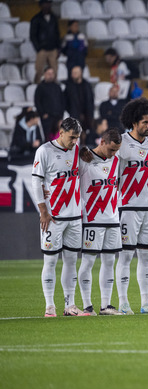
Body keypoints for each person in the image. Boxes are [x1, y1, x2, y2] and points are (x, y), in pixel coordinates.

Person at [115, 98, 148, 314]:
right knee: (125, 256)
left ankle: (146, 303)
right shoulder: (121, 143)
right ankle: (124, 303)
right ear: (134, 123)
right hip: (127, 207)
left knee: (146, 256)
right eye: (145, 122)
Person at [31, 118, 84, 317]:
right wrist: (43, 212)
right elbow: (36, 183)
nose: (74, 142)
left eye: (77, 138)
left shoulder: (78, 151)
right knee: (50, 261)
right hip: (53, 217)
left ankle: (70, 305)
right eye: (72, 137)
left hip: (74, 217)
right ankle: (49, 306)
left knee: (71, 261)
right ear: (61, 133)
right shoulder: (44, 151)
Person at [77, 128, 124, 316]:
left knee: (109, 261)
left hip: (113, 218)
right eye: (111, 149)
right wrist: (81, 149)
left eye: (117, 150)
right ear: (102, 142)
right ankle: (87, 306)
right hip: (92, 219)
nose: (114, 153)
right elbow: (66, 151)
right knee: (88, 262)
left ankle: (106, 305)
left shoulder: (117, 160)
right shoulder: (84, 159)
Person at [30, 0, 60, 84]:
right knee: (39, 70)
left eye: (48, 3)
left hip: (53, 48)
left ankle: (53, 87)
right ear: (41, 5)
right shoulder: (36, 19)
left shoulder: (54, 18)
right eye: (45, 3)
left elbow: (57, 33)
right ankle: (37, 86)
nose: (47, 5)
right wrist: (38, 48)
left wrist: (58, 48)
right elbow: (33, 35)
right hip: (42, 49)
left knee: (54, 70)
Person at [34, 67, 65, 142]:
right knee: (47, 137)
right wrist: (43, 113)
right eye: (48, 74)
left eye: (52, 74)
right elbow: (37, 102)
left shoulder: (57, 87)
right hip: (47, 117)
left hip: (57, 116)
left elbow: (62, 101)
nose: (50, 75)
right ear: (44, 74)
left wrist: (61, 115)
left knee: (58, 137)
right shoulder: (40, 87)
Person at [64, 66, 94, 133]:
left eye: (75, 73)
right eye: (72, 73)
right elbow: (65, 101)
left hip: (86, 115)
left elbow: (90, 101)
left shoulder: (87, 85)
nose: (73, 75)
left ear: (80, 73)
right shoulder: (69, 86)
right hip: (73, 114)